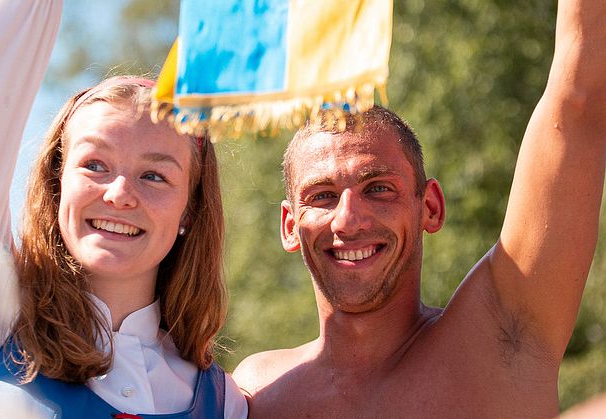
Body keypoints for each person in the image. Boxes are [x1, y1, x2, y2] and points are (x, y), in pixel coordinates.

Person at [232, 0, 606, 417]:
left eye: (378, 188)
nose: (348, 219)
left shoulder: (499, 344)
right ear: (289, 225)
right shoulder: (253, 393)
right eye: (322, 196)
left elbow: (580, 101)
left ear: (430, 206)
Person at [0, 1, 247, 418]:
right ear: (56, 184)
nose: (120, 193)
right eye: (95, 165)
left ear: (190, 210)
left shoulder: (225, 402)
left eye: (155, 176)